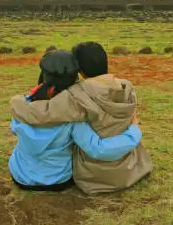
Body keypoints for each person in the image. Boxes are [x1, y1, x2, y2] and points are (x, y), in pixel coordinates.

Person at [10, 42, 153, 195]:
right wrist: (134, 130)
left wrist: (17, 102)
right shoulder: (127, 87)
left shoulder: (76, 98)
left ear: (80, 70)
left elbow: (42, 113)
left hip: (88, 176)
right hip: (129, 165)